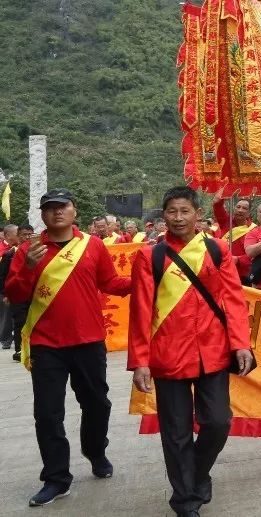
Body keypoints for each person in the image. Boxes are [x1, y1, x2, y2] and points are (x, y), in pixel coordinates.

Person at [128, 186, 253, 517]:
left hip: (212, 351)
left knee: (217, 422)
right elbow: (141, 310)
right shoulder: (149, 256)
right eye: (172, 211)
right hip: (168, 355)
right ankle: (185, 501)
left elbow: (233, 300)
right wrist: (139, 361)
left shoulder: (216, 250)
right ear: (164, 215)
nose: (178, 218)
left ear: (198, 214)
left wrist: (241, 343)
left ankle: (197, 474)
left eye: (185, 211)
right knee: (176, 432)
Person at [3, 189, 132, 507]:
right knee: (47, 414)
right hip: (47, 345)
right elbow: (15, 294)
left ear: (75, 212)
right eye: (50, 208)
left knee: (98, 405)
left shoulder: (93, 245)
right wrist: (29, 268)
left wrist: (144, 279)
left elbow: (110, 283)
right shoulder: (28, 250)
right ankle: (56, 478)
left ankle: (95, 450)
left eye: (63, 207)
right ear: (42, 215)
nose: (57, 212)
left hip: (88, 341)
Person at [4, 224, 35, 361]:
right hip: (17, 293)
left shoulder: (38, 250)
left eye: (30, 234)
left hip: (34, 293)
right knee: (20, 322)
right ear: (18, 236)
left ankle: (33, 347)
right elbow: (3, 276)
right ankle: (19, 349)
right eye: (24, 234)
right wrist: (5, 294)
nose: (27, 237)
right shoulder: (10, 253)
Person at [0, 223, 17, 350]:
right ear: (7, 235)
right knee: (6, 314)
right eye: (16, 233)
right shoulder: (4, 250)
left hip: (16, 285)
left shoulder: (18, 248)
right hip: (4, 286)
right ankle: (5, 339)